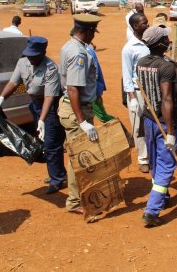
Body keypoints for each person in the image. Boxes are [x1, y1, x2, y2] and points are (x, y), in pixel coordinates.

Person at [0, 37, 66, 194]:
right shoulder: (23, 62)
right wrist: (1, 98)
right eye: (29, 54)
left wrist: (42, 120)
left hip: (50, 108)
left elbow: (49, 96)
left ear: (43, 53)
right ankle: (58, 173)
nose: (31, 58)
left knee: (51, 143)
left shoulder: (51, 68)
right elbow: (13, 83)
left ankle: (57, 180)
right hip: (35, 105)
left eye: (34, 55)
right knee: (44, 141)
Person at [136, 26, 177, 227]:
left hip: (148, 119)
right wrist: (171, 132)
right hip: (163, 122)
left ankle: (161, 198)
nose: (168, 40)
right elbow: (167, 99)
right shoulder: (166, 67)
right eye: (166, 38)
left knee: (155, 162)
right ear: (160, 43)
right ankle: (151, 211)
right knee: (165, 165)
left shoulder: (141, 63)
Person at [58, 14, 102, 214]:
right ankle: (76, 202)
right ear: (86, 31)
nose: (94, 36)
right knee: (79, 157)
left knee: (78, 156)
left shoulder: (70, 46)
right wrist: (83, 121)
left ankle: (79, 198)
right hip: (77, 110)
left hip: (75, 108)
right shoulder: (78, 54)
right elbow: (73, 88)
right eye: (93, 31)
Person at [121, 12, 150, 173]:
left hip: (151, 91)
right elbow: (127, 75)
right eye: (144, 23)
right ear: (135, 26)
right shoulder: (129, 49)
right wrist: (131, 97)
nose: (148, 25)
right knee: (139, 127)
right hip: (137, 92)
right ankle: (143, 158)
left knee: (151, 124)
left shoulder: (149, 43)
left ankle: (152, 154)